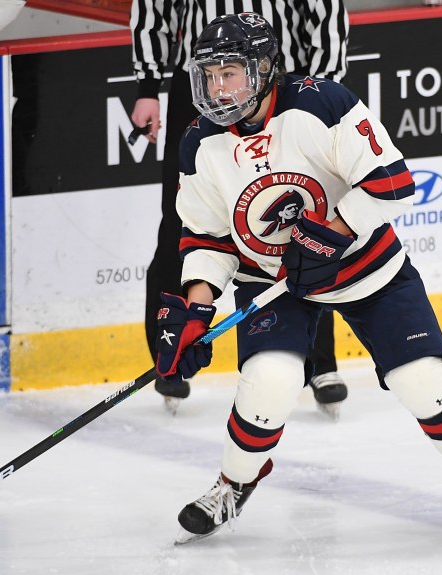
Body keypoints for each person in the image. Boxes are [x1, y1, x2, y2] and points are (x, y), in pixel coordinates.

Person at [154, 13, 442, 544]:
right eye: (209, 76)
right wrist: (196, 308)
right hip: (273, 280)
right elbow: (206, 238)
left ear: (262, 69)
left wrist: (330, 232)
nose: (217, 88)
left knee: (423, 382)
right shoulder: (198, 142)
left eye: (229, 73)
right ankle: (234, 484)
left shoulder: (320, 103)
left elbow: (393, 180)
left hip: (367, 266)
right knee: (270, 385)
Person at [130, 0, 350, 417]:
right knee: (185, 218)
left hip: (281, 86)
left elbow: (323, 11)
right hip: (203, 81)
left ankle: (320, 357)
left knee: (307, 211)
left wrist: (321, 88)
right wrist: (147, 86)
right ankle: (173, 349)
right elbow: (154, 7)